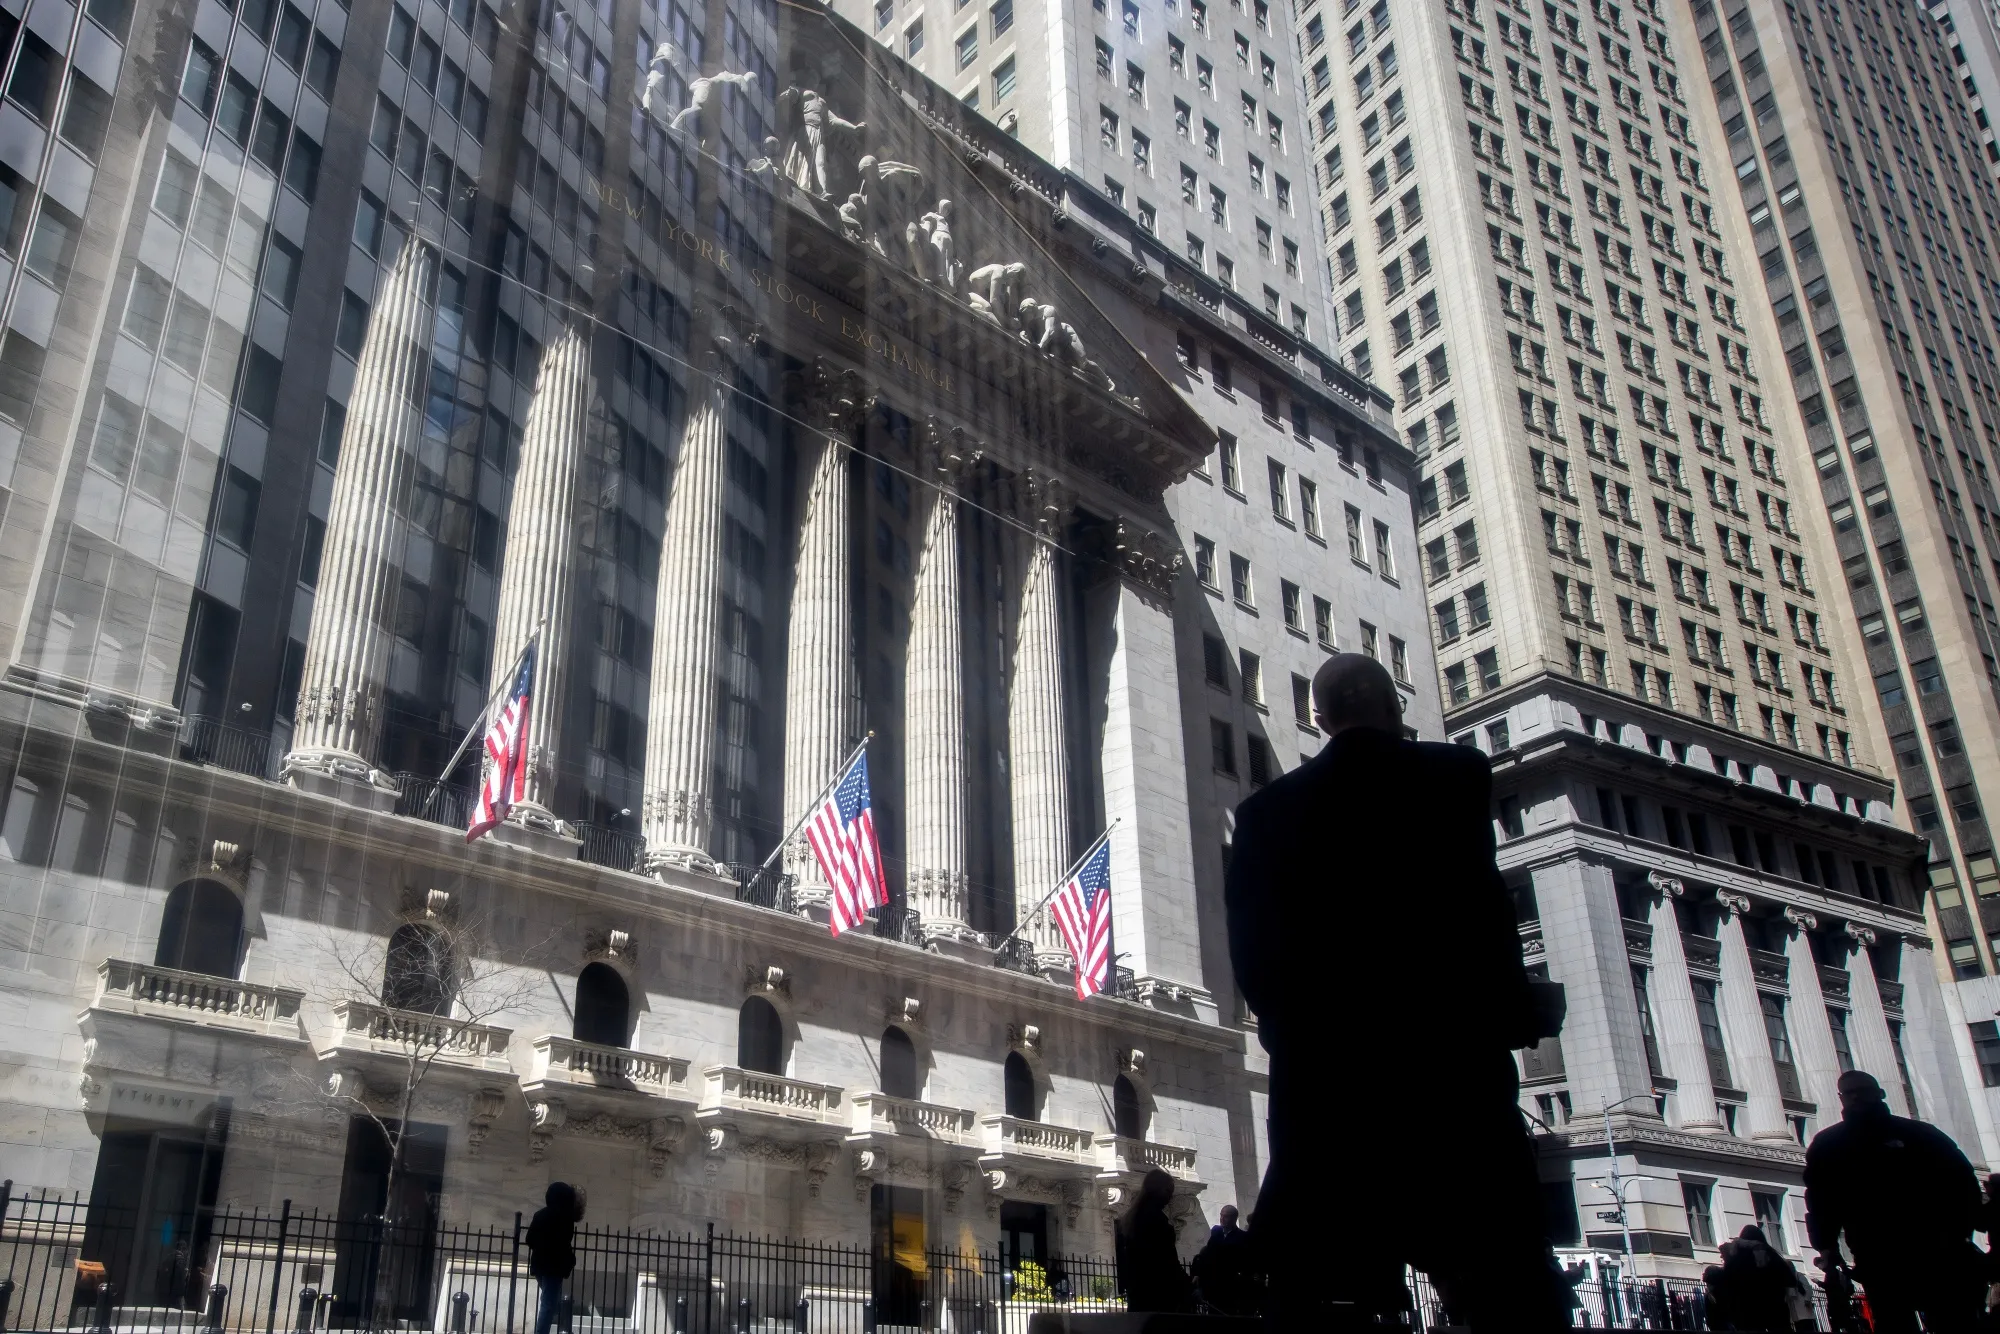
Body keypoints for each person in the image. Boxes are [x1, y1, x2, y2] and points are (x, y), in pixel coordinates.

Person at [1224, 654, 1569, 1331]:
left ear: (1318, 718)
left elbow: (1253, 952)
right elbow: (1482, 906)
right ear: (1393, 704)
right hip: (1449, 1063)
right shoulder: (1455, 776)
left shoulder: (1266, 813)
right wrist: (1511, 1007)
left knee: (1323, 1279)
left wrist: (1288, 1032)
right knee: (1504, 1269)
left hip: (1328, 1079)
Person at [1804, 1069, 1984, 1334]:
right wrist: (1826, 1248)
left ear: (1879, 1093)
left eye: (1862, 1091)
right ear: (1842, 1098)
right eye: (1849, 1093)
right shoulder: (1829, 1144)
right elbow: (1821, 1202)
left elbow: (1963, 1185)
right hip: (1877, 1251)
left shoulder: (1921, 1135)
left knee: (1950, 1318)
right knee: (1894, 1320)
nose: (1856, 1098)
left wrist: (1960, 1233)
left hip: (1935, 1247)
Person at [1115, 1168, 1195, 1314]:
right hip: (1157, 1296)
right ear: (1157, 1190)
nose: (1170, 1197)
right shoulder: (1157, 1222)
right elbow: (1167, 1262)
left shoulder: (1131, 1220)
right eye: (1168, 1191)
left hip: (1138, 1293)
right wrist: (1187, 1284)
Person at [1707, 1225, 1800, 1332]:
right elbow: (1790, 1280)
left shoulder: (1737, 1258)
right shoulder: (1771, 1254)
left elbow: (1728, 1282)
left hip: (1747, 1310)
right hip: (1775, 1308)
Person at [526, 1182, 583, 1334]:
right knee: (548, 1303)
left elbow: (529, 1239)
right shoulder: (565, 1218)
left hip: (540, 1264)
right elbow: (564, 1243)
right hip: (554, 1266)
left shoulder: (540, 1214)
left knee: (549, 1300)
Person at [1191, 1204, 1256, 1315]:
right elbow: (1207, 1255)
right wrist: (1198, 1274)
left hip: (1229, 1284)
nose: (1222, 1219)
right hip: (1212, 1282)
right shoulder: (1216, 1232)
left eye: (1226, 1216)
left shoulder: (1242, 1237)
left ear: (1234, 1218)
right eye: (1221, 1215)